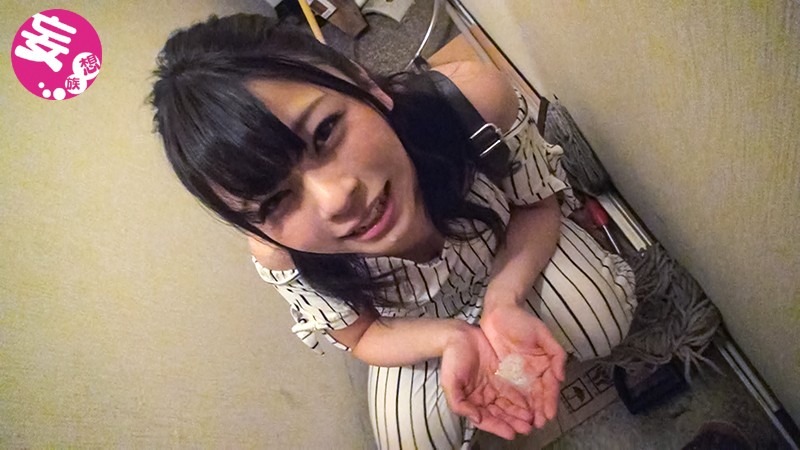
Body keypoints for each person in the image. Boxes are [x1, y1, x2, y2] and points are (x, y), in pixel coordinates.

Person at [150, 13, 637, 450]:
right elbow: (362, 333)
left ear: (364, 83)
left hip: (511, 248)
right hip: (412, 323)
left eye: (325, 132)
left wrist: (502, 300)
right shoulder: (281, 254)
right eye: (275, 201)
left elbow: (535, 205)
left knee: (602, 318)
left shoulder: (470, 101)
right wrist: (451, 338)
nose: (336, 198)